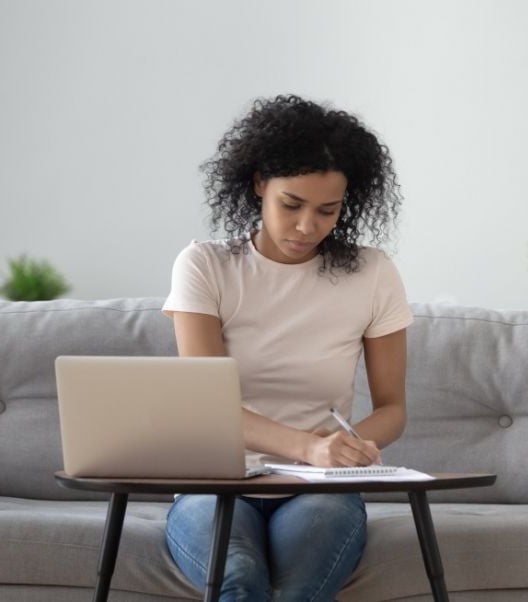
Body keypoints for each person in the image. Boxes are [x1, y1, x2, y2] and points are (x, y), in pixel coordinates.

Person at [161, 93, 413, 601]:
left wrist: (350, 447)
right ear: (258, 184)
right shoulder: (206, 266)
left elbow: (392, 409)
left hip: (319, 489)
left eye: (328, 210)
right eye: (291, 205)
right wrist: (308, 447)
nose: (307, 227)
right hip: (217, 482)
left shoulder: (373, 273)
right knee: (238, 577)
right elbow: (207, 406)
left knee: (299, 588)